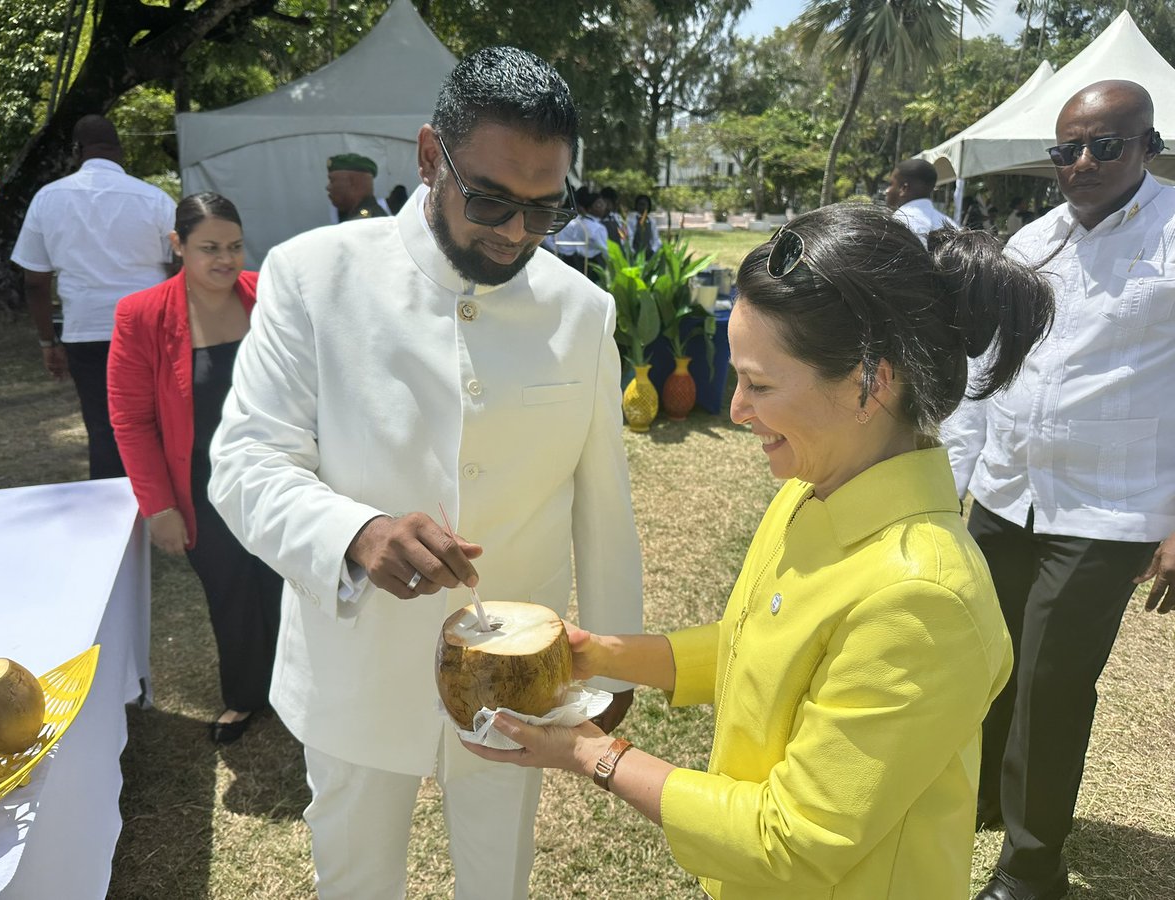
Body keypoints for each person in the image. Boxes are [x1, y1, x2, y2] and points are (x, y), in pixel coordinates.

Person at [465, 202, 1055, 900]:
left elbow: (793, 840)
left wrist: (590, 753)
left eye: (761, 384)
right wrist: (600, 654)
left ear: (872, 382)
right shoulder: (813, 489)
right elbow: (760, 646)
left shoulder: (923, 601)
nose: (738, 408)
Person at [208, 46, 644, 899]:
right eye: (490, 200)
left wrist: (615, 665)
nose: (516, 233)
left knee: (498, 879)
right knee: (356, 878)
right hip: (355, 666)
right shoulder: (313, 276)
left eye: (543, 210)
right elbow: (246, 460)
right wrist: (356, 532)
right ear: (426, 157)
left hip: (518, 679)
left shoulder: (582, 311)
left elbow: (603, 505)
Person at [944, 79, 1174, 900]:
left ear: (1147, 145)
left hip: (1108, 508)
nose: (1081, 161)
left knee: (1050, 682)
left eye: (1104, 145)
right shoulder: (1032, 241)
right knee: (986, 658)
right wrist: (953, 484)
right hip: (1008, 491)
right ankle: (978, 797)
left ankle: (1032, 867)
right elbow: (987, 369)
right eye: (1066, 148)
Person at [107, 193, 282, 744]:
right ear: (178, 245)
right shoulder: (141, 315)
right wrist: (158, 506)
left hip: (277, 475)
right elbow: (131, 420)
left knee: (288, 583)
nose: (225, 260)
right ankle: (247, 697)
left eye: (234, 246)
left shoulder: (267, 295)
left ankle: (298, 691)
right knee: (231, 588)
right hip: (202, 487)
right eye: (209, 248)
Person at [11, 114, 175, 479]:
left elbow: (35, 282)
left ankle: (114, 522)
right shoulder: (156, 199)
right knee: (159, 422)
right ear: (120, 151)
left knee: (104, 430)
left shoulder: (47, 199)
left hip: (86, 332)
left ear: (76, 151)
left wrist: (47, 341)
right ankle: (168, 512)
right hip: (150, 329)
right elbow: (177, 269)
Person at [884, 158, 956, 242]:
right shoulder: (952, 226)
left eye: (891, 184)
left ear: (904, 189)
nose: (886, 191)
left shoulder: (896, 223)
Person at [553, 184, 609, 275]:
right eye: (599, 204)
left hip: (577, 261)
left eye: (603, 204)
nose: (603, 207)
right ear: (589, 208)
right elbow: (605, 251)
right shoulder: (598, 228)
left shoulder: (577, 223)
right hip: (594, 264)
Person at [325, 153, 386, 221]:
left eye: (332, 181)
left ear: (353, 183)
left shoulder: (364, 222)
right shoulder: (361, 216)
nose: (328, 187)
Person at [627, 192, 662, 258]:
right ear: (636, 205)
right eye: (640, 204)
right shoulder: (631, 219)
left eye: (645, 205)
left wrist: (653, 250)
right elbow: (629, 237)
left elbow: (656, 239)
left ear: (648, 206)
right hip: (635, 254)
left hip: (649, 254)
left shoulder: (651, 220)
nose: (643, 207)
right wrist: (632, 252)